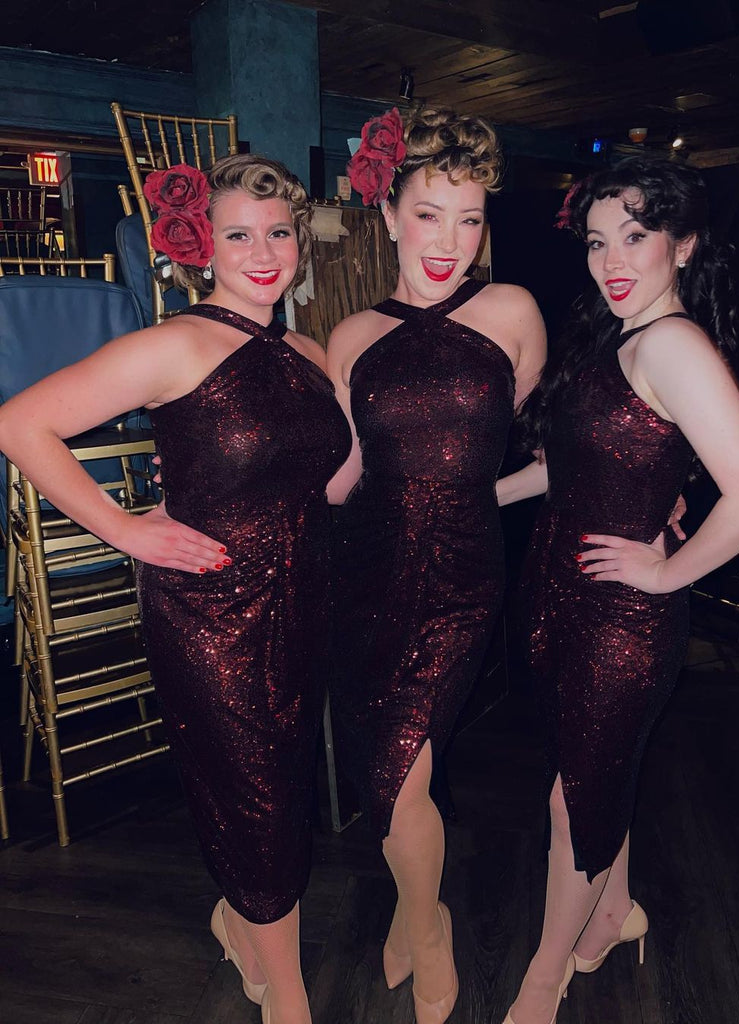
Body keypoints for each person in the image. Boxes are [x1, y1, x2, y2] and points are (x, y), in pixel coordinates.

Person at [0, 154, 351, 1024]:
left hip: (304, 601)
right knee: (255, 793)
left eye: (278, 233)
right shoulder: (175, 343)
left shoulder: (307, 351)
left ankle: (238, 922)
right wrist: (123, 529)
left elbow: (334, 481)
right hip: (211, 611)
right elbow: (20, 423)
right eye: (238, 235)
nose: (262, 253)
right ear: (202, 247)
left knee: (280, 785)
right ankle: (288, 995)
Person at [495, 158, 739, 1024]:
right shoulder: (618, 336)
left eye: (635, 235)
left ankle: (541, 983)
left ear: (683, 244)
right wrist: (474, 497)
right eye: (597, 241)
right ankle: (615, 911)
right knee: (597, 775)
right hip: (566, 594)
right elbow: (567, 469)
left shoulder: (670, 343)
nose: (612, 260)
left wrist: (664, 571)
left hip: (624, 617)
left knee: (573, 799)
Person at [325, 106, 546, 1023]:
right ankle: (414, 912)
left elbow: (512, 442)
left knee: (407, 766)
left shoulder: (513, 312)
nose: (450, 241)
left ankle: (427, 931)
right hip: (364, 574)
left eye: (470, 219)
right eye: (428, 215)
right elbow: (343, 479)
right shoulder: (349, 337)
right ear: (388, 217)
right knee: (384, 770)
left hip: (461, 576)